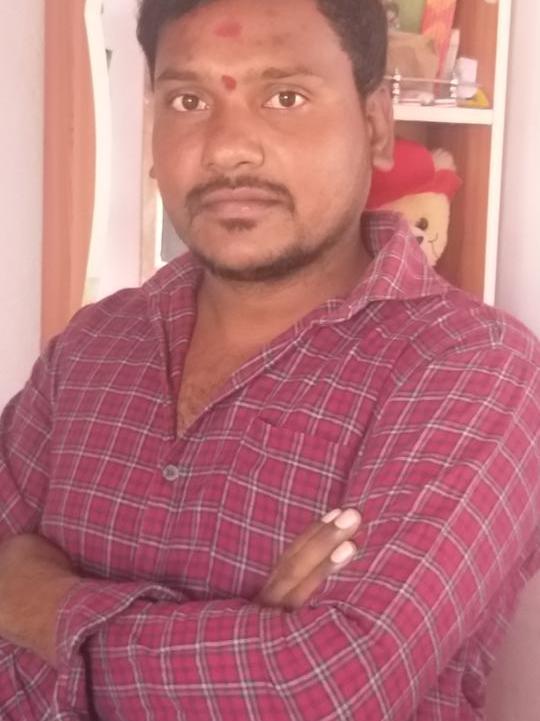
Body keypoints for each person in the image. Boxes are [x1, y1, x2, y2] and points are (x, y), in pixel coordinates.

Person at [0, 0, 538, 718]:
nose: (227, 149)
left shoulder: (474, 369)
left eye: (285, 96)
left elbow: (324, 689)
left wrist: (43, 606)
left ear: (375, 125)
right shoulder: (93, 345)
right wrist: (246, 643)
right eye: (188, 100)